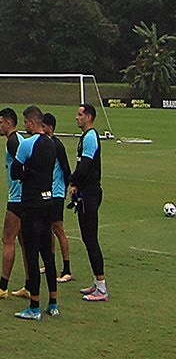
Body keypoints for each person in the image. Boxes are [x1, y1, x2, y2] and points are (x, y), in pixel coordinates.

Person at [11, 106, 60, 320]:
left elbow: (15, 171)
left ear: (31, 122)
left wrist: (27, 173)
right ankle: (53, 302)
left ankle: (34, 306)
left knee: (31, 254)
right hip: (48, 200)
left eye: (25, 122)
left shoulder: (27, 144)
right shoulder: (52, 144)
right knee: (47, 254)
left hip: (31, 203)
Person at [0, 108, 30, 300]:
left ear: (9, 123)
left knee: (7, 238)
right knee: (24, 241)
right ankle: (29, 284)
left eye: (1, 122)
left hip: (17, 199)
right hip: (24, 198)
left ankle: (3, 286)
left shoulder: (13, 142)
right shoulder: (19, 139)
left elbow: (24, 167)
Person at [71, 103, 107, 301]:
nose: (77, 117)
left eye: (80, 114)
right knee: (87, 238)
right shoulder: (85, 137)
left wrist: (72, 180)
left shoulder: (91, 137)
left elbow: (84, 167)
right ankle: (97, 282)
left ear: (89, 117)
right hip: (85, 192)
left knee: (91, 239)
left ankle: (101, 287)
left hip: (91, 194)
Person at [43, 113, 74, 283]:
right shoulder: (45, 144)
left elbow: (66, 169)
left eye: (44, 126)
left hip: (56, 193)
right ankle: (50, 264)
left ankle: (67, 268)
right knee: (48, 229)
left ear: (50, 127)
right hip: (48, 193)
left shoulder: (56, 145)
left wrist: (66, 188)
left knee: (58, 229)